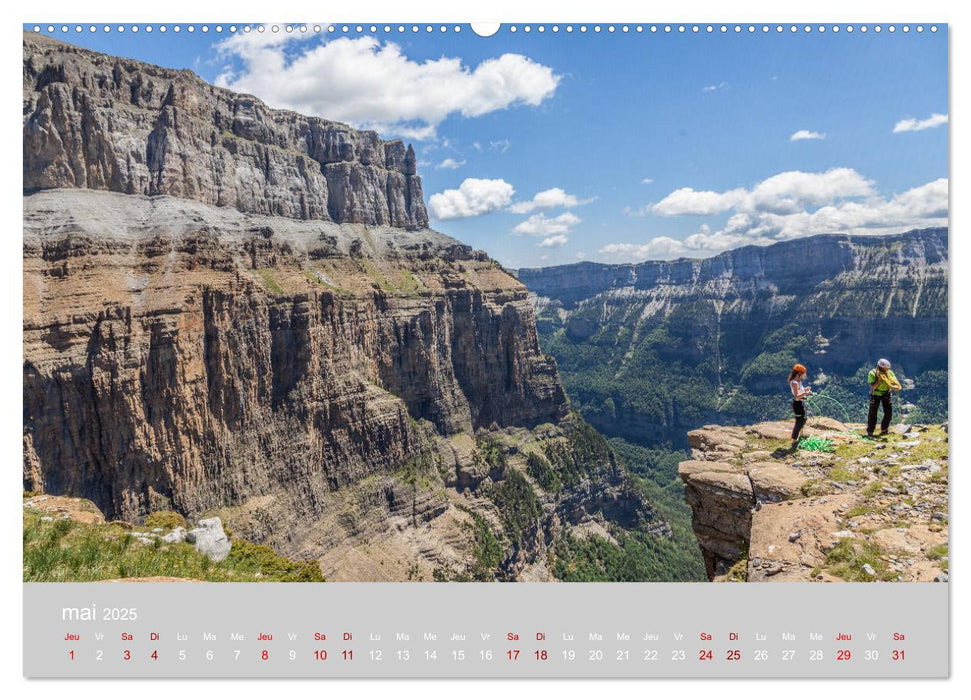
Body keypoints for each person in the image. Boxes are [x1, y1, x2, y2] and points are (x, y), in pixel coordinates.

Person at [866, 358, 901, 437]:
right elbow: (873, 387)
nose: (886, 370)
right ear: (880, 367)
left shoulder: (889, 373)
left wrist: (895, 386)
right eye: (884, 368)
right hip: (876, 394)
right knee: (873, 413)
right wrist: (879, 380)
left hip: (886, 394)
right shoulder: (873, 373)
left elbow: (894, 381)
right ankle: (870, 431)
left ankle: (884, 430)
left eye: (887, 369)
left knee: (888, 412)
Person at [788, 363, 812, 449]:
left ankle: (801, 435)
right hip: (797, 404)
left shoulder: (798, 381)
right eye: (803, 373)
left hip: (801, 403)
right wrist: (806, 393)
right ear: (799, 373)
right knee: (799, 421)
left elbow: (800, 391)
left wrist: (805, 389)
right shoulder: (794, 382)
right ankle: (794, 440)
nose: (804, 375)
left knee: (803, 419)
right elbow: (797, 395)